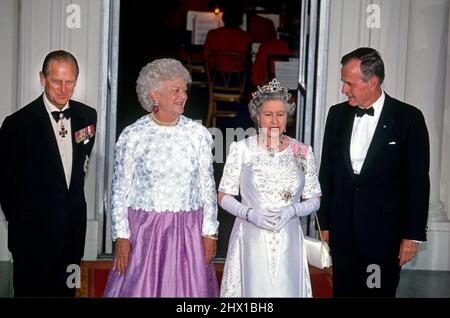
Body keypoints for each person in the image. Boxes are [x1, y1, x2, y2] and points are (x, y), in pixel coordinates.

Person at [318, 47, 430, 297]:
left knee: (377, 292)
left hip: (384, 234)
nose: (344, 89)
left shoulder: (408, 118)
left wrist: (412, 235)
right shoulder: (336, 115)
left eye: (349, 83)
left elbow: (418, 182)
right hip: (342, 229)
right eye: (343, 82)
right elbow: (326, 171)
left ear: (372, 82)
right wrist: (323, 222)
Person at [103, 58, 219, 297]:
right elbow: (119, 191)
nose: (183, 96)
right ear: (155, 95)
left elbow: (207, 186)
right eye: (175, 90)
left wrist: (210, 232)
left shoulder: (198, 135)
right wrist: (121, 236)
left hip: (188, 230)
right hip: (144, 231)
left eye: (184, 90)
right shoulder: (133, 135)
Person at [0, 50, 97, 297]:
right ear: (42, 79)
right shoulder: (18, 124)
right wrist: (23, 220)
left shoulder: (88, 116)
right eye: (57, 81)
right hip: (32, 236)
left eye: (70, 81)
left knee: (67, 293)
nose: (64, 89)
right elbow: (4, 182)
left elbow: (79, 171)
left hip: (73, 231)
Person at [218, 79, 322, 297]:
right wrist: (250, 214)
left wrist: (293, 210)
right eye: (268, 114)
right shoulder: (241, 149)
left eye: (280, 114)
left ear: (287, 117)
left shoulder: (302, 152)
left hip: (289, 237)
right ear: (257, 116)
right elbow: (224, 195)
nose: (274, 120)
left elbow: (314, 198)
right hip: (251, 237)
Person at [203, 6, 252, 73]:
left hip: (216, 76)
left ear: (224, 18)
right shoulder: (246, 36)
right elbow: (248, 60)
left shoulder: (212, 34)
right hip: (239, 78)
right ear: (240, 19)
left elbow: (206, 56)